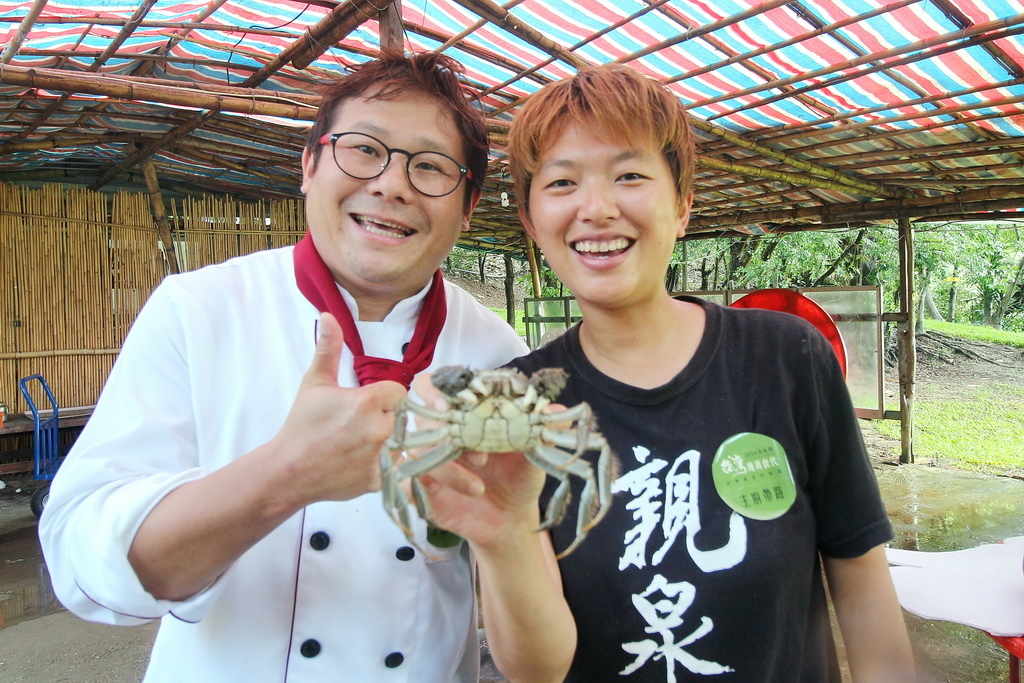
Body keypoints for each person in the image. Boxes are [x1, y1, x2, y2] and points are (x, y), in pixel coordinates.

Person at [39, 51, 573, 683]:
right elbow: (83, 563)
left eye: (429, 166)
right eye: (363, 149)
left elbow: (524, 611)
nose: (392, 184)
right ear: (310, 166)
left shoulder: (495, 356)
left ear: (467, 206)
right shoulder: (200, 310)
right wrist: (282, 476)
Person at [504, 64, 917, 681]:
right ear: (534, 224)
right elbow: (534, 666)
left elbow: (859, 575)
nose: (596, 208)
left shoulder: (786, 359)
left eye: (630, 175)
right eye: (562, 182)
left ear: (682, 205)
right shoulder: (521, 400)